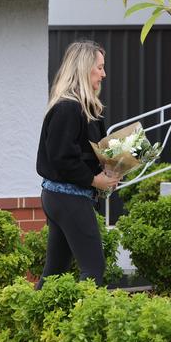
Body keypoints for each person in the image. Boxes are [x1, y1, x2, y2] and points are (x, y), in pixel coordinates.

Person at [35, 40, 118, 289]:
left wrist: (108, 172)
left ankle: (33, 321)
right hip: (67, 198)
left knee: (55, 271)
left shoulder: (84, 108)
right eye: (100, 67)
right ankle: (86, 323)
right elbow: (62, 158)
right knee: (93, 268)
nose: (104, 73)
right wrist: (94, 180)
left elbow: (83, 153)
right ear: (84, 69)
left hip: (62, 197)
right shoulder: (68, 109)